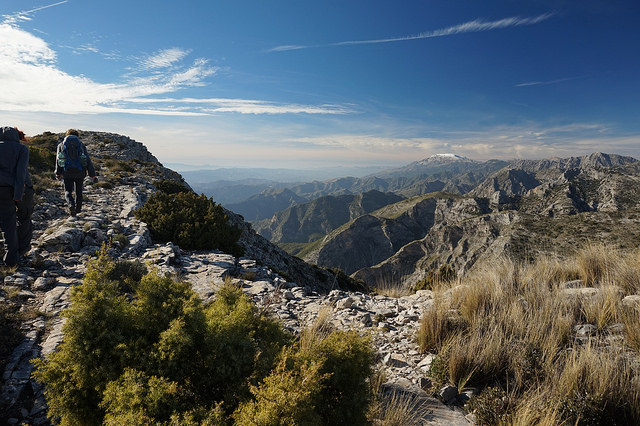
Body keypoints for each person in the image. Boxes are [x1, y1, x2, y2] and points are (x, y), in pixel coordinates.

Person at [0, 126, 29, 267]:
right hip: (8, 190)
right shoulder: (21, 149)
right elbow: (20, 173)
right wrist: (18, 194)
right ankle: (11, 260)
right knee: (9, 225)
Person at [54, 129, 97, 216]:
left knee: (68, 191)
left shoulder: (61, 145)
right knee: (79, 191)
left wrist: (58, 173)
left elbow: (58, 160)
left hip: (67, 171)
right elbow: (88, 160)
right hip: (80, 171)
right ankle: (78, 209)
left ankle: (71, 205)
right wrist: (92, 174)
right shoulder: (81, 145)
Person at [16, 130, 34, 257]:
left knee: (7, 220)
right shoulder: (21, 149)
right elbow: (22, 171)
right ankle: (22, 250)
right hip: (23, 188)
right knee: (24, 217)